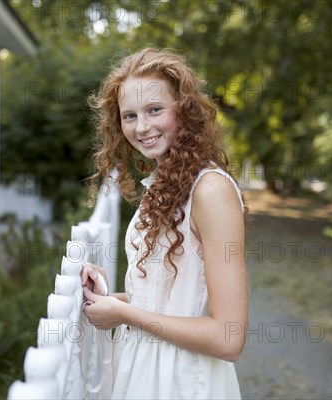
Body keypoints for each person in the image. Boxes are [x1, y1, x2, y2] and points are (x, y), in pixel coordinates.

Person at [81, 48, 247, 399]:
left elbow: (228, 337)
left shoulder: (210, 190)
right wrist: (110, 301)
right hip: (146, 372)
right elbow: (173, 300)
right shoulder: (167, 184)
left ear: (184, 110)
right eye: (129, 116)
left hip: (184, 382)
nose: (142, 127)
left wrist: (126, 315)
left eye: (155, 110)